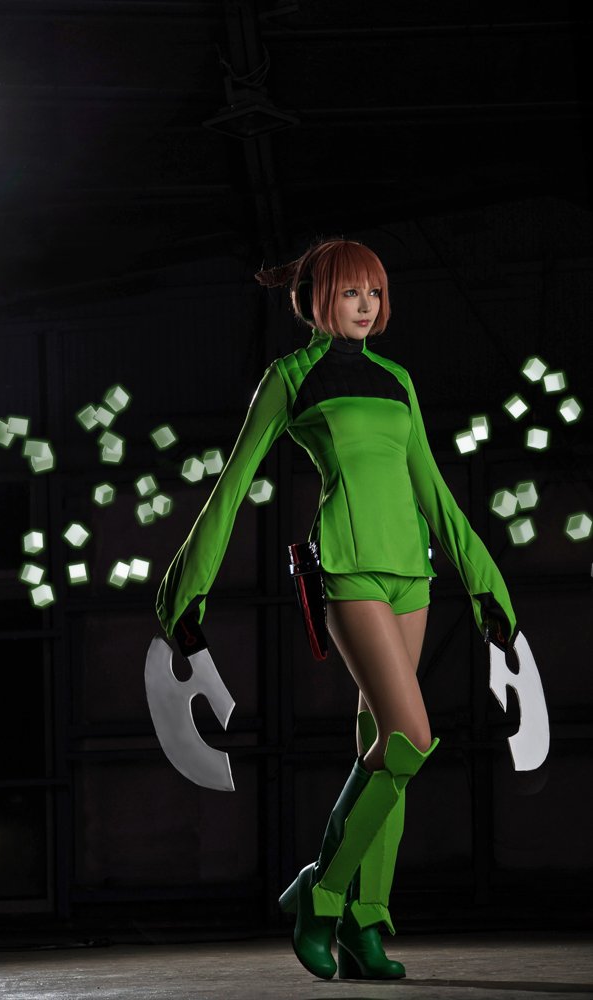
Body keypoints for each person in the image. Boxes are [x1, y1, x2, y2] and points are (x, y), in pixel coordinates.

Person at [156, 237, 517, 981]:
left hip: (412, 575)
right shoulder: (290, 377)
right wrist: (186, 588)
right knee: (411, 738)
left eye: (375, 293)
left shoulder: (396, 378)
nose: (366, 306)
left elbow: (434, 491)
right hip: (348, 571)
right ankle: (320, 894)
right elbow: (232, 484)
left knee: (385, 751)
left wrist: (487, 585)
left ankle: (366, 923)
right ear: (318, 299)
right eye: (352, 292)